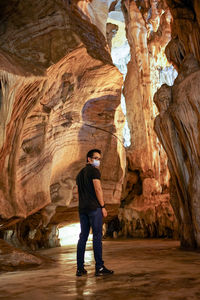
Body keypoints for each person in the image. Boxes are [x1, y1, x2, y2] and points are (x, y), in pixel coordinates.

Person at [76, 149, 114, 276]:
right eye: (96, 158)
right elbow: (98, 189)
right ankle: (99, 267)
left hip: (83, 209)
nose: (98, 161)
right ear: (89, 159)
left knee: (83, 237)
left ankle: (80, 268)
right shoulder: (94, 171)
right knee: (97, 236)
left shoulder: (80, 174)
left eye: (99, 159)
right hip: (94, 208)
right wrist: (102, 206)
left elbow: (80, 192)